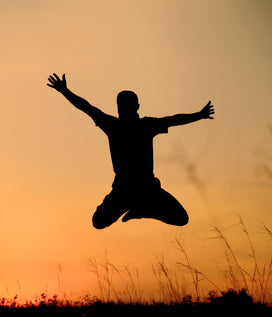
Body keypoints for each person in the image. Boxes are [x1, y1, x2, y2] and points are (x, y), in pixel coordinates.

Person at [47, 73, 214, 229]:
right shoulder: (117, 125)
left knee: (181, 218)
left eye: (126, 106)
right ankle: (141, 208)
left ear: (136, 107)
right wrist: (64, 91)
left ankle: (142, 211)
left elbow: (173, 119)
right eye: (121, 106)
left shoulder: (140, 125)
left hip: (146, 188)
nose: (123, 109)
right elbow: (86, 107)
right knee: (98, 222)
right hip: (123, 190)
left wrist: (199, 115)